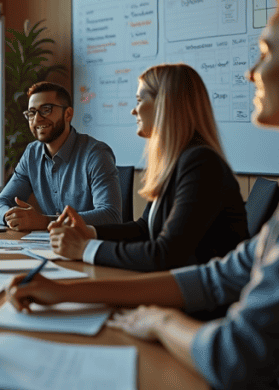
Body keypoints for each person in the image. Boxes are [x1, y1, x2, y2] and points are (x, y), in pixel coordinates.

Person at [10, 0, 279, 390]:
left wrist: (160, 322)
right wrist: (66, 292)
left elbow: (233, 357)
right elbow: (214, 276)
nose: (251, 73)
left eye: (265, 52)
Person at [47, 64, 248, 271]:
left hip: (206, 299)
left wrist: (85, 249)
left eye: (140, 100)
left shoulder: (201, 164)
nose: (134, 110)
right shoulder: (177, 161)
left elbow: (166, 254)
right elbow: (145, 229)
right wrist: (90, 232)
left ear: (165, 105)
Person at [0, 81, 122, 231]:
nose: (37, 119)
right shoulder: (32, 154)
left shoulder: (96, 154)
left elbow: (111, 215)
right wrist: (12, 216)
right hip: (48, 246)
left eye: (46, 109)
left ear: (68, 114)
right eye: (31, 112)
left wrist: (46, 222)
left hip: (87, 248)